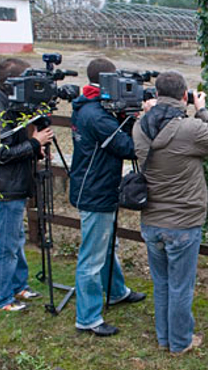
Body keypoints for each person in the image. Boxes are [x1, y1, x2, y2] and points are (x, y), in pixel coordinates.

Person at [133, 71, 208, 354]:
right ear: (184, 95)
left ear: (155, 94)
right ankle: (180, 342)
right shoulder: (189, 129)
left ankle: (165, 337)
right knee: (181, 286)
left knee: (161, 283)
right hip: (183, 222)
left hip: (151, 218)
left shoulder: (140, 127)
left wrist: (149, 111)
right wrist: (203, 111)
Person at [69, 58, 146, 337]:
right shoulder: (96, 115)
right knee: (91, 257)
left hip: (96, 185)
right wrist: (135, 121)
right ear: (107, 82)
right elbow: (127, 147)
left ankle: (115, 291)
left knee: (105, 245)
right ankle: (87, 317)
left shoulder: (87, 106)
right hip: (96, 190)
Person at [0, 58, 54, 312]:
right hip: (4, 187)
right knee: (5, 245)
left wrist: (36, 149)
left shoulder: (13, 104)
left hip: (17, 184)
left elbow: (16, 140)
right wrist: (33, 144)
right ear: (14, 83)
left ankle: (18, 286)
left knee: (15, 239)